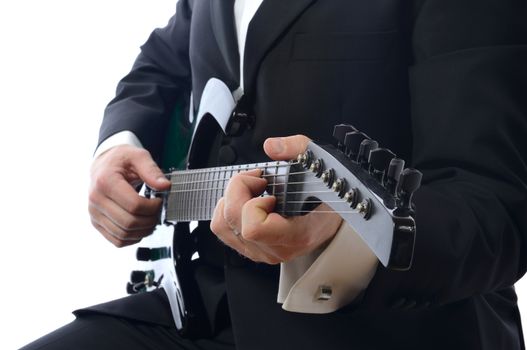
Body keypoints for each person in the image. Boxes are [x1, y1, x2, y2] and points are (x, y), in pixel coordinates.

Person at [22, 0, 527, 349]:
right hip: (201, 312)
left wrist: (348, 239)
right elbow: (164, 60)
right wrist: (117, 145)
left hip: (388, 333)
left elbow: (495, 205)